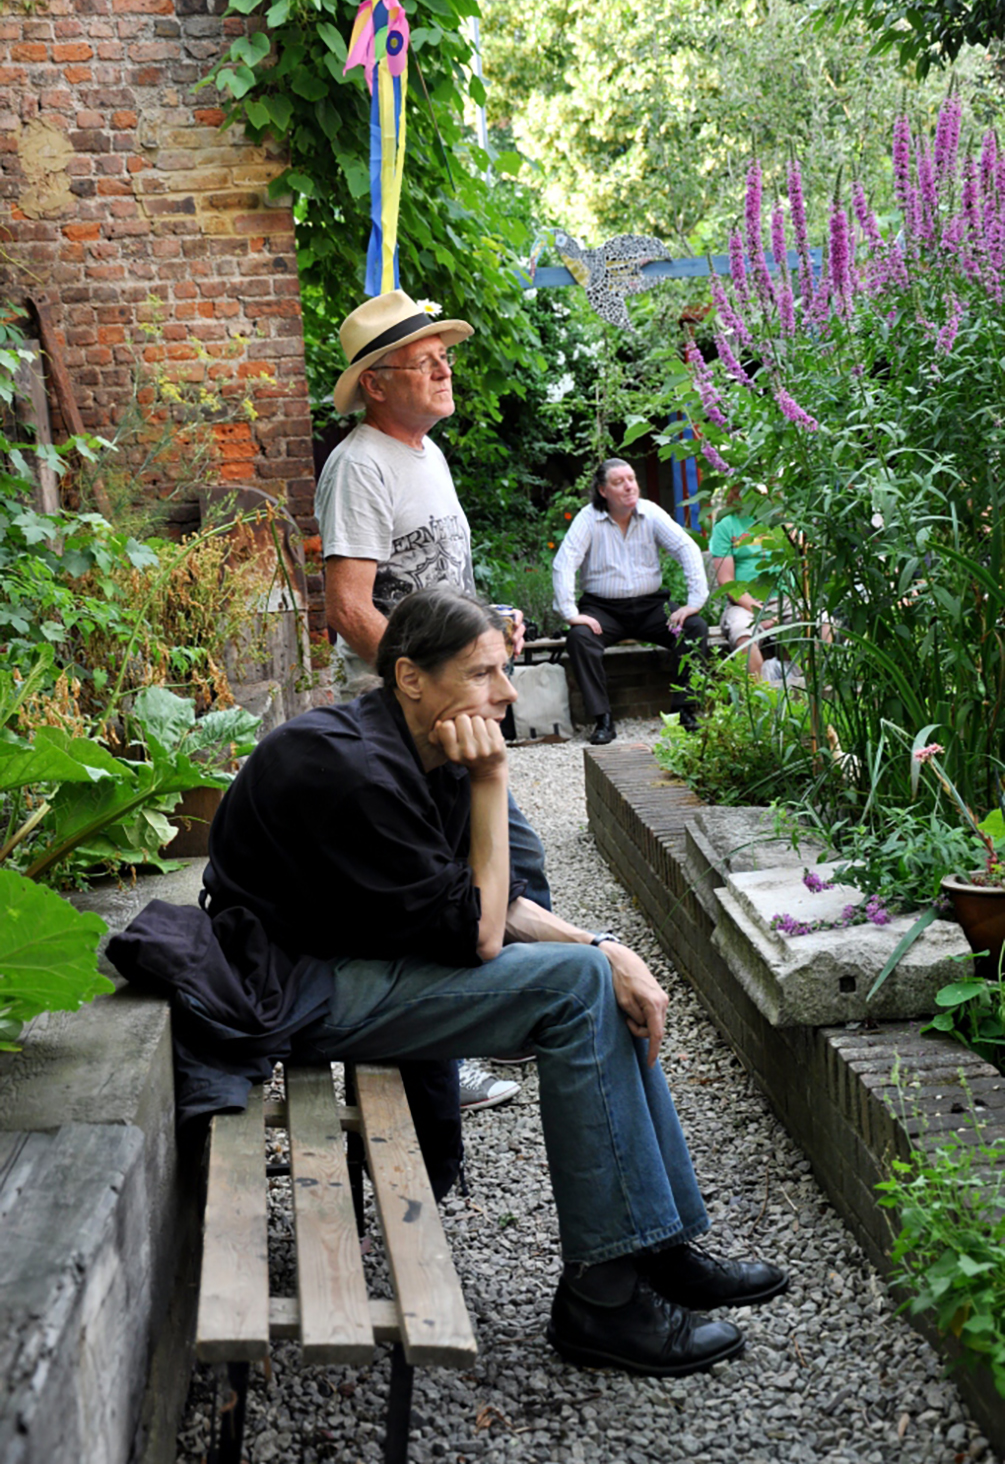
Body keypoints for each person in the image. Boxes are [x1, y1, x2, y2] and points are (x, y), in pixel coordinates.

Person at [201, 585, 788, 1377]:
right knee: (576, 990)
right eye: (483, 674)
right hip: (297, 989)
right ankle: (602, 1303)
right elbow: (478, 932)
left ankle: (653, 1245)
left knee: (594, 977)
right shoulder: (349, 768)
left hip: (350, 957)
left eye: (503, 671)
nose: (507, 695)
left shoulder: (419, 741)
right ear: (410, 676)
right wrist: (491, 783)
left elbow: (491, 900)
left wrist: (607, 945)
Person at [314, 288, 546, 1109]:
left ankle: (502, 1025)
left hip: (448, 706)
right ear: (376, 382)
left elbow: (434, 594)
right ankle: (482, 1031)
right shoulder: (359, 465)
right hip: (408, 726)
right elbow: (349, 610)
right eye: (425, 360)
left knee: (504, 867)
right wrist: (435, 692)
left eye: (447, 355)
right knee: (473, 877)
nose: (446, 369)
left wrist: (488, 633)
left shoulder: (425, 456)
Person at [552, 459, 710, 745]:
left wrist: (694, 602)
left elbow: (687, 548)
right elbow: (564, 564)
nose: (629, 486)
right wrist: (571, 613)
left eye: (632, 479)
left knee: (694, 628)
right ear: (603, 490)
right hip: (603, 612)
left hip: (651, 609)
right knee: (580, 638)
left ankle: (684, 710)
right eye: (619, 482)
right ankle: (602, 719)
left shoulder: (650, 513)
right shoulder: (588, 519)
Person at [708, 499, 830, 679]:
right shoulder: (727, 525)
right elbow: (726, 581)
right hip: (744, 604)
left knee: (824, 623)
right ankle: (764, 699)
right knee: (743, 637)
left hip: (787, 600)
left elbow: (808, 554)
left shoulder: (781, 521)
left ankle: (806, 689)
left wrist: (789, 525)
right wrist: (759, 611)